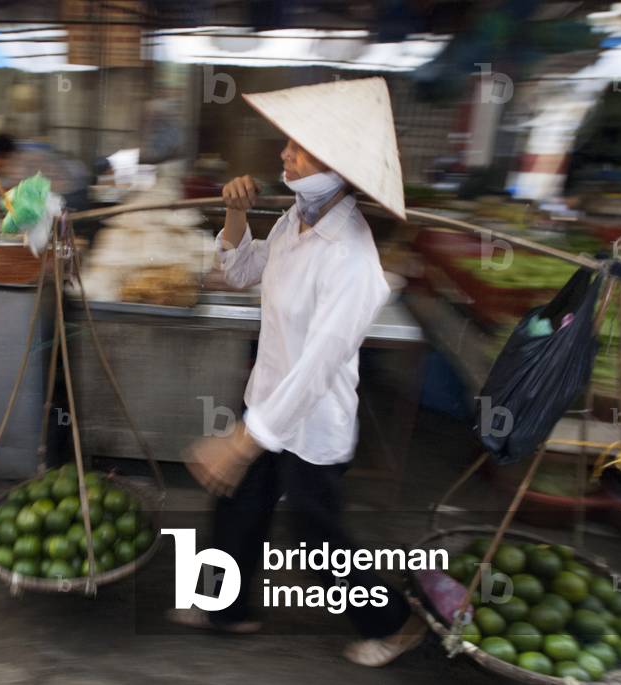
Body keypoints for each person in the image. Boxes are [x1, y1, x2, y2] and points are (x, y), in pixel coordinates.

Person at [174, 77, 425, 667]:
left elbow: (315, 372)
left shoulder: (352, 260)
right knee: (237, 507)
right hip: (266, 398)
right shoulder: (296, 219)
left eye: (299, 147)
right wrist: (235, 215)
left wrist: (241, 442)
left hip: (310, 419)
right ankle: (226, 609)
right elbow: (239, 273)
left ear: (337, 166)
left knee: (317, 537)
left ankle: (395, 622)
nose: (283, 155)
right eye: (287, 144)